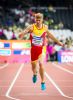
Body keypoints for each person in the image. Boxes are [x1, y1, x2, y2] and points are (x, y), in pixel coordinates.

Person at [19, 13, 64, 90]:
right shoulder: (31, 27)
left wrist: (58, 42)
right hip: (33, 50)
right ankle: (35, 74)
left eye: (39, 20)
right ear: (35, 19)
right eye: (37, 19)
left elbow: (50, 35)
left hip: (41, 49)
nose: (38, 21)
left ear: (42, 20)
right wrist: (22, 34)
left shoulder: (45, 27)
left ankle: (43, 82)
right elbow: (23, 33)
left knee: (41, 64)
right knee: (34, 68)